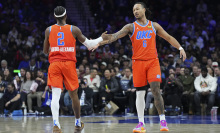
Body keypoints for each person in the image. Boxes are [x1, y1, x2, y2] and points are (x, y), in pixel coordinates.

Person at [90, 2, 186, 132]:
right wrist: (99, 42)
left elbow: (168, 37)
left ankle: (163, 121)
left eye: (137, 9)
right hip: (138, 63)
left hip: (152, 61)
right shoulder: (130, 27)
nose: (135, 11)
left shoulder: (154, 25)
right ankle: (141, 123)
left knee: (155, 89)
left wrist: (180, 48)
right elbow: (115, 36)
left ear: (144, 10)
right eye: (133, 10)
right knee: (140, 93)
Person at [43, 6, 106, 133]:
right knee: (74, 96)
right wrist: (101, 38)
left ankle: (56, 125)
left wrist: (55, 49)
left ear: (55, 17)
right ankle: (77, 123)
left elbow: (45, 51)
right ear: (66, 16)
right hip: (68, 64)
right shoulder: (74, 29)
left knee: (55, 95)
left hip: (54, 64)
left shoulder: (48, 30)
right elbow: (89, 45)